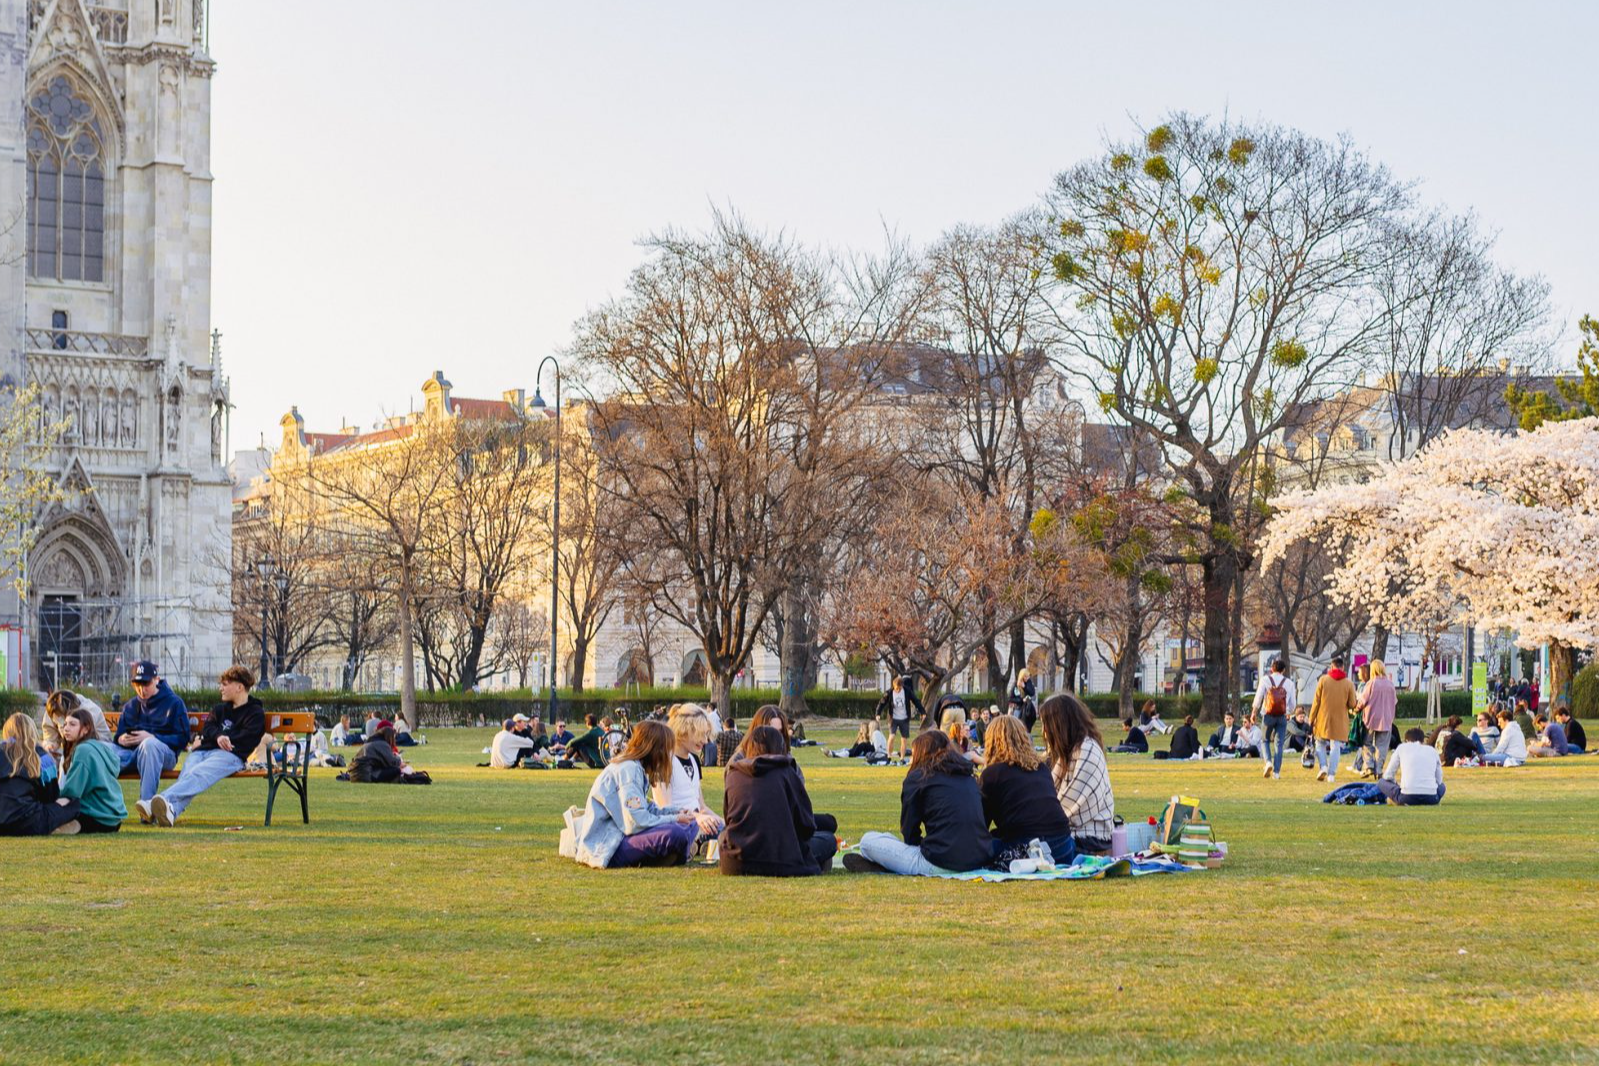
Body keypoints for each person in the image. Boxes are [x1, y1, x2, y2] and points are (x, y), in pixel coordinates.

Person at [851, 730, 994, 876]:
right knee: (887, 838)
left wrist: (921, 846)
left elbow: (909, 831)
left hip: (940, 861)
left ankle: (888, 864)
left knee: (867, 841)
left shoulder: (919, 777)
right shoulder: (967, 777)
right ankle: (890, 862)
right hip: (979, 858)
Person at [140, 666, 266, 827]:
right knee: (188, 774)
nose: (220, 688)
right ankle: (171, 812)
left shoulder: (255, 713)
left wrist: (223, 739)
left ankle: (153, 804)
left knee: (197, 774)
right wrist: (218, 737)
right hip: (201, 752)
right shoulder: (219, 709)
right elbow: (208, 728)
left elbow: (247, 738)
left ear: (239, 687)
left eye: (225, 684)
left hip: (230, 755)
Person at [567, 720, 698, 868]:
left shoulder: (637, 768)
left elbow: (646, 808)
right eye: (667, 750)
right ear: (656, 749)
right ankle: (677, 851)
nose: (669, 756)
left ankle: (674, 852)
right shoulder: (629, 771)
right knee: (676, 833)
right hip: (610, 844)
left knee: (692, 823)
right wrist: (674, 819)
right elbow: (636, 822)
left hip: (624, 834)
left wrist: (677, 812)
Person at [719, 725, 836, 876]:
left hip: (737, 861)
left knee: (723, 834)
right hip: (781, 860)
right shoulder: (786, 772)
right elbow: (805, 825)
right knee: (828, 839)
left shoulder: (734, 774)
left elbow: (729, 818)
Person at [978, 715, 1075, 866]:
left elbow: (981, 823)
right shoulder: (1042, 768)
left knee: (982, 844)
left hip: (1026, 848)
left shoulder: (992, 774)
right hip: (1063, 846)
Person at [1039, 692, 1115, 855]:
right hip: (1074, 834)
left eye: (1046, 724)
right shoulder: (1067, 752)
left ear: (1060, 724)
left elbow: (1070, 809)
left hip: (1089, 838)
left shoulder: (1087, 750)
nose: (1044, 732)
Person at [114, 660, 190, 804]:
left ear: (157, 680)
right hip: (132, 753)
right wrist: (121, 739)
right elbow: (118, 736)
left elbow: (183, 738)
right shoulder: (130, 705)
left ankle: (146, 805)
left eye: (146, 684)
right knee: (96, 749)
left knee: (149, 744)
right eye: (137, 685)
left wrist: (153, 737)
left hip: (163, 754)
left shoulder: (174, 703)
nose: (142, 689)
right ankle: (84, 808)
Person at [0, 712, 80, 835]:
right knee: (73, 803)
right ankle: (57, 826)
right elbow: (51, 797)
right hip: (30, 822)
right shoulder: (42, 756)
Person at [652, 707, 723, 844]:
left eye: (706, 735)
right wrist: (698, 817)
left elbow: (702, 807)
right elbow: (665, 809)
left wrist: (724, 822)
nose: (705, 741)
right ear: (684, 731)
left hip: (697, 821)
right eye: (701, 735)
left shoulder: (694, 760)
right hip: (677, 825)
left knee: (732, 831)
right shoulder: (664, 761)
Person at [57, 708, 127, 833]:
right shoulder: (99, 746)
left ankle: (72, 825)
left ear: (86, 729)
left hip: (97, 817)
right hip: (113, 819)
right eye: (65, 724)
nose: (66, 728)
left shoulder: (83, 750)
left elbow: (72, 792)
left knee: (51, 812)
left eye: (72, 724)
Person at [1309, 656, 1358, 783]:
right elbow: (1352, 704)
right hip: (1340, 720)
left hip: (1323, 718)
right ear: (1343, 667)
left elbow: (1316, 702)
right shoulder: (1348, 683)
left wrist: (1311, 719)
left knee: (1320, 743)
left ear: (1332, 666)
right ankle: (1331, 774)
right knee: (1335, 746)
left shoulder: (1323, 680)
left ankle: (1323, 766)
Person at [1251, 658, 1297, 779]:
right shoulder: (1289, 683)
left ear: (1272, 669)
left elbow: (1258, 697)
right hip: (1282, 716)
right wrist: (1288, 712)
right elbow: (1293, 704)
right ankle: (1276, 772)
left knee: (1265, 740)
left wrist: (1254, 712)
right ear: (1284, 670)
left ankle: (1268, 762)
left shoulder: (1265, 680)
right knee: (1279, 743)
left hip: (1268, 715)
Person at [1377, 728, 1446, 806]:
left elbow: (1388, 776)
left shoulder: (1401, 748)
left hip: (1407, 796)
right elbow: (1439, 780)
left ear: (1406, 740)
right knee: (1442, 786)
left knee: (1381, 782)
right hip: (1431, 798)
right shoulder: (1432, 750)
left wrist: (1395, 784)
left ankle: (1398, 800)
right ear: (1423, 740)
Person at [1356, 659, 1398, 781]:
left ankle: (1369, 765)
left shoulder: (1371, 683)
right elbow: (1395, 701)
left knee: (1366, 742)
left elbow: (1363, 700)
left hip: (1371, 718)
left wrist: (1356, 709)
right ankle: (1379, 770)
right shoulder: (1390, 684)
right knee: (1382, 746)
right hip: (1386, 719)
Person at [41, 690, 111, 754]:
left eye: (71, 724)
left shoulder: (89, 712)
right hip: (72, 749)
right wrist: (50, 744)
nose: (66, 728)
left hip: (99, 749)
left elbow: (79, 739)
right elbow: (49, 734)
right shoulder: (54, 706)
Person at [350, 724, 426, 782]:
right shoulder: (382, 744)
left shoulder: (371, 742)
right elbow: (392, 761)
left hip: (356, 773)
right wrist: (400, 761)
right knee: (397, 770)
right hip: (365, 775)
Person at [874, 676, 923, 762]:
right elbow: (882, 703)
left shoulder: (907, 691)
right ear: (893, 686)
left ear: (902, 686)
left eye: (900, 688)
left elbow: (916, 701)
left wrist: (923, 712)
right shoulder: (889, 693)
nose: (898, 690)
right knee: (892, 736)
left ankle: (902, 758)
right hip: (893, 718)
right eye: (896, 688)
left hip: (904, 718)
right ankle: (889, 756)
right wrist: (878, 713)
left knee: (904, 739)